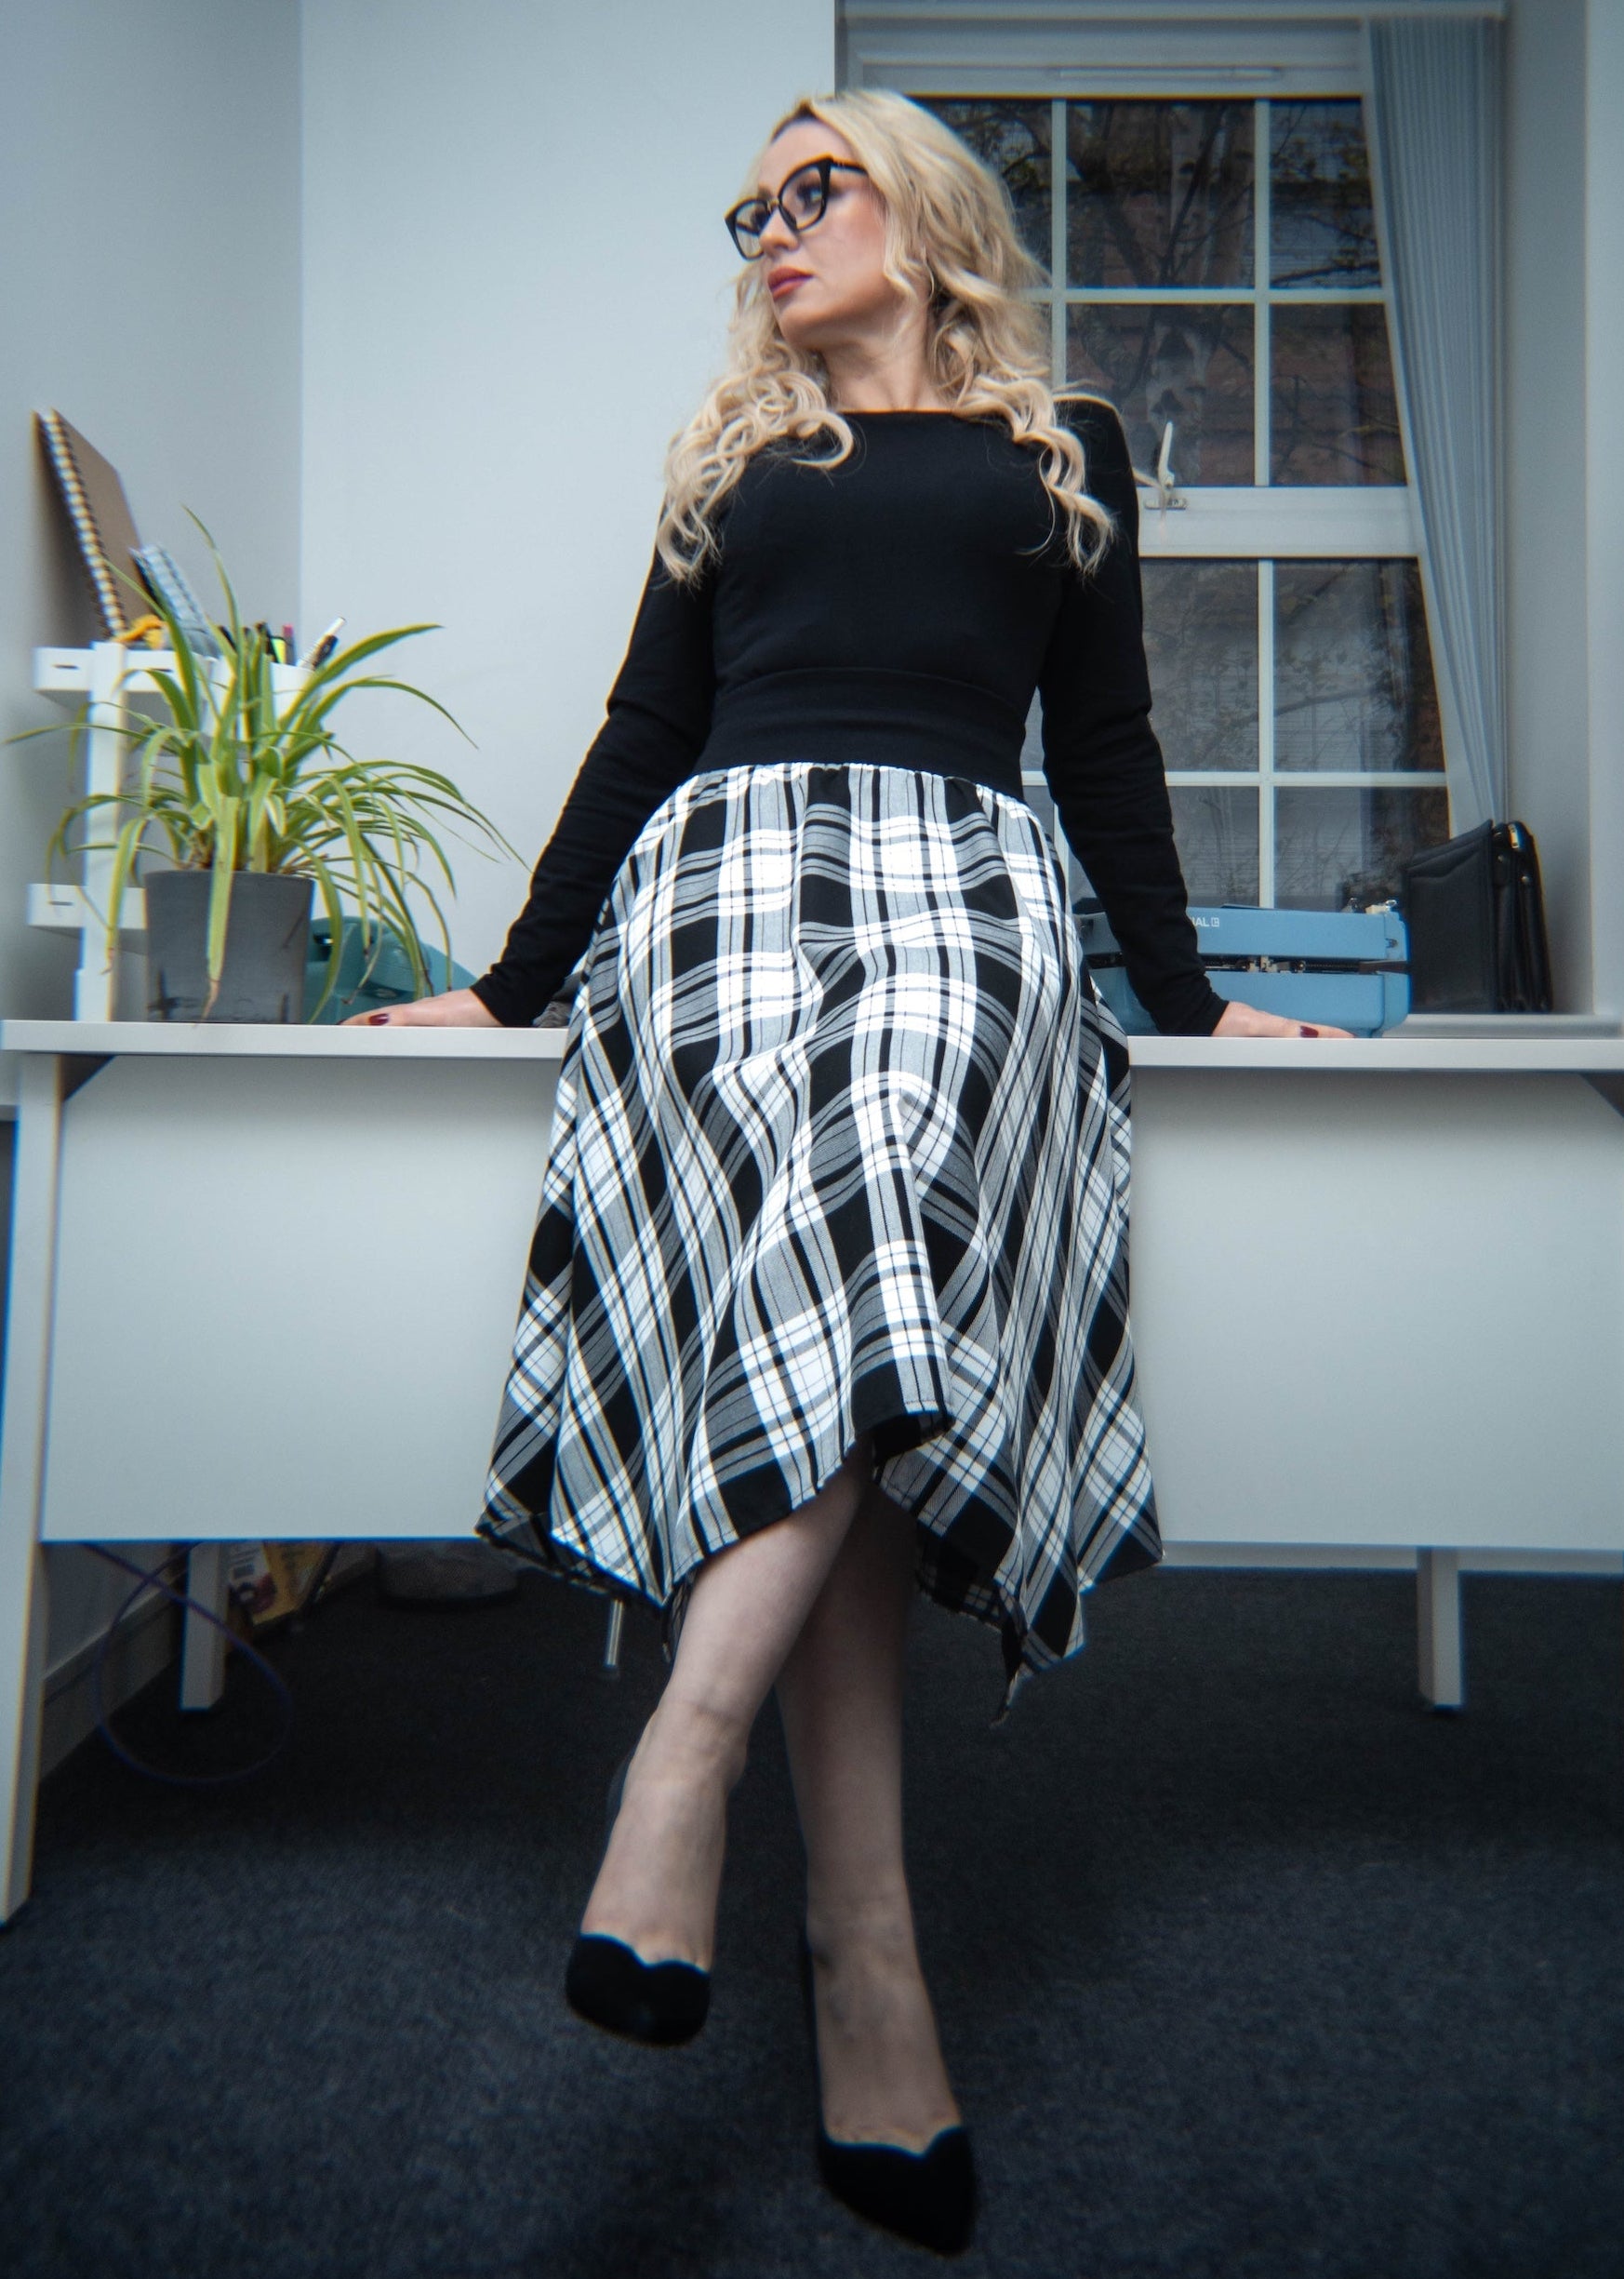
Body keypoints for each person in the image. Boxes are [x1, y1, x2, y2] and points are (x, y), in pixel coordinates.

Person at [349, 89, 1348, 2256]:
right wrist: (517, 990)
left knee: (891, 1164)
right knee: (865, 1293)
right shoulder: (734, 466)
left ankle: (683, 1763)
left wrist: (1174, 1001)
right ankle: (868, 1964)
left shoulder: (1055, 446)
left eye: (816, 189)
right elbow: (639, 727)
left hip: (960, 893)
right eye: (752, 209)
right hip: (727, 886)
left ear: (922, 207)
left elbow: (1101, 751)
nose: (775, 231)